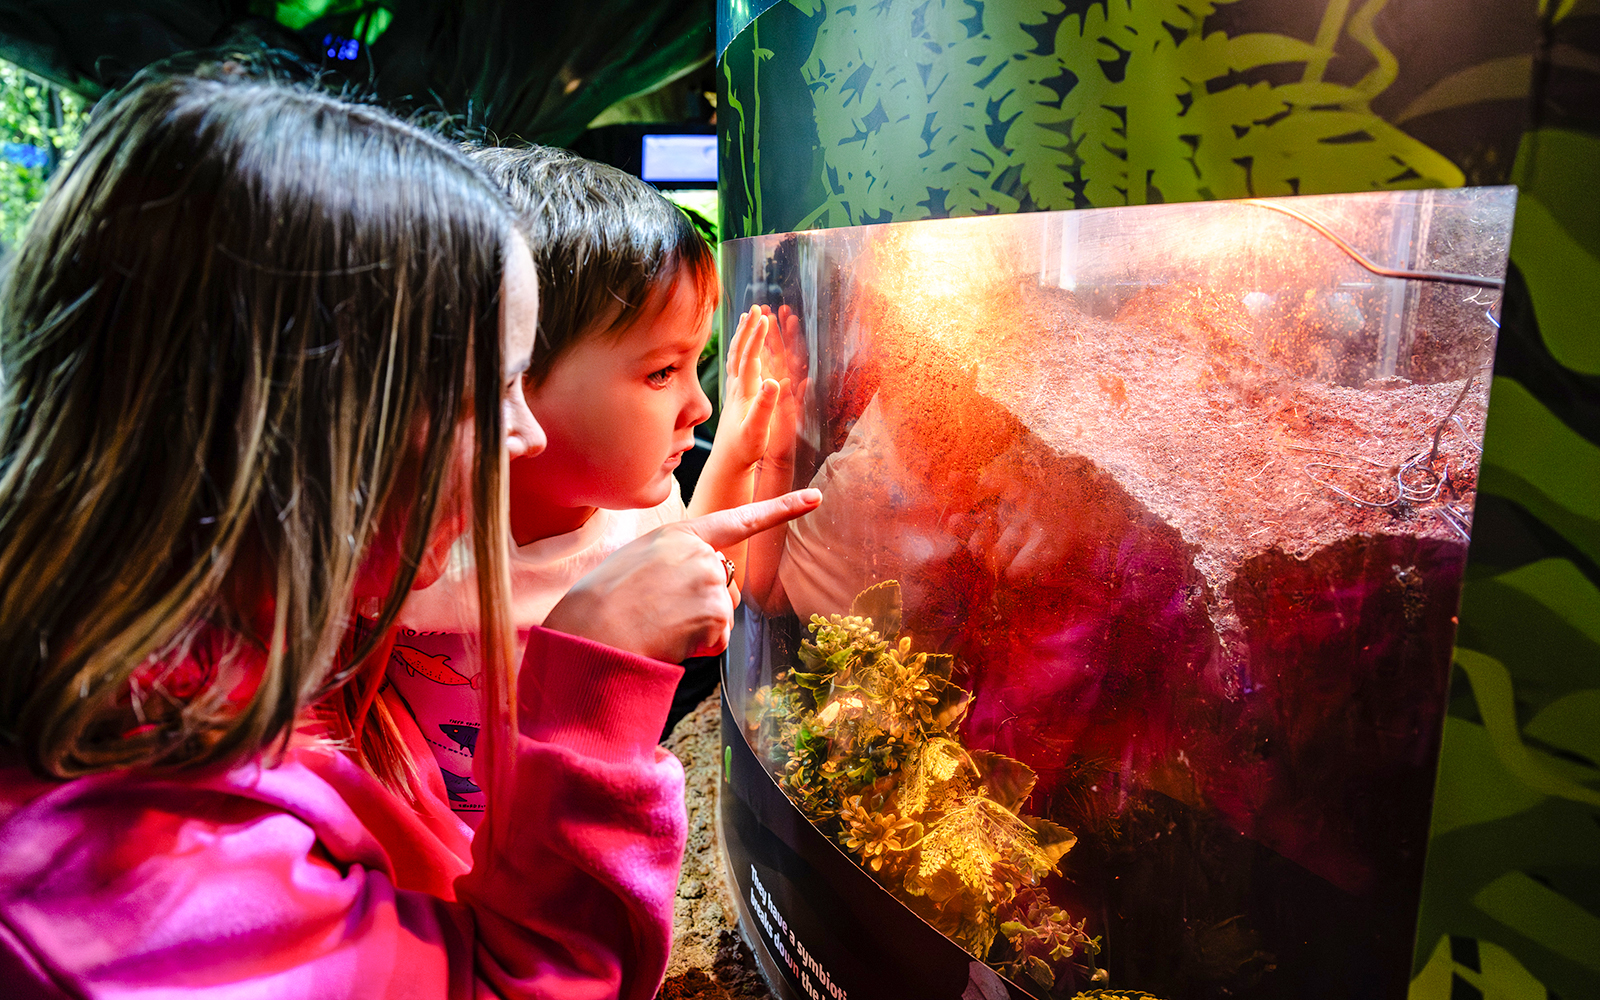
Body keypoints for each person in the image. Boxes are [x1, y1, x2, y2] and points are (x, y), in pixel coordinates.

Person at [0, 74, 818, 999]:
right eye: (494, 387)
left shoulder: (205, 681)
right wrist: (588, 700)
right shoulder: (117, 883)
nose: (528, 439)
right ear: (325, 421)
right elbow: (512, 983)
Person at [386, 147, 789, 823]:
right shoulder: (404, 544)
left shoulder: (640, 501)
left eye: (697, 367)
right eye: (662, 372)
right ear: (505, 374)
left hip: (569, 830)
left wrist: (742, 454)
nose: (700, 405)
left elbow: (706, 589)